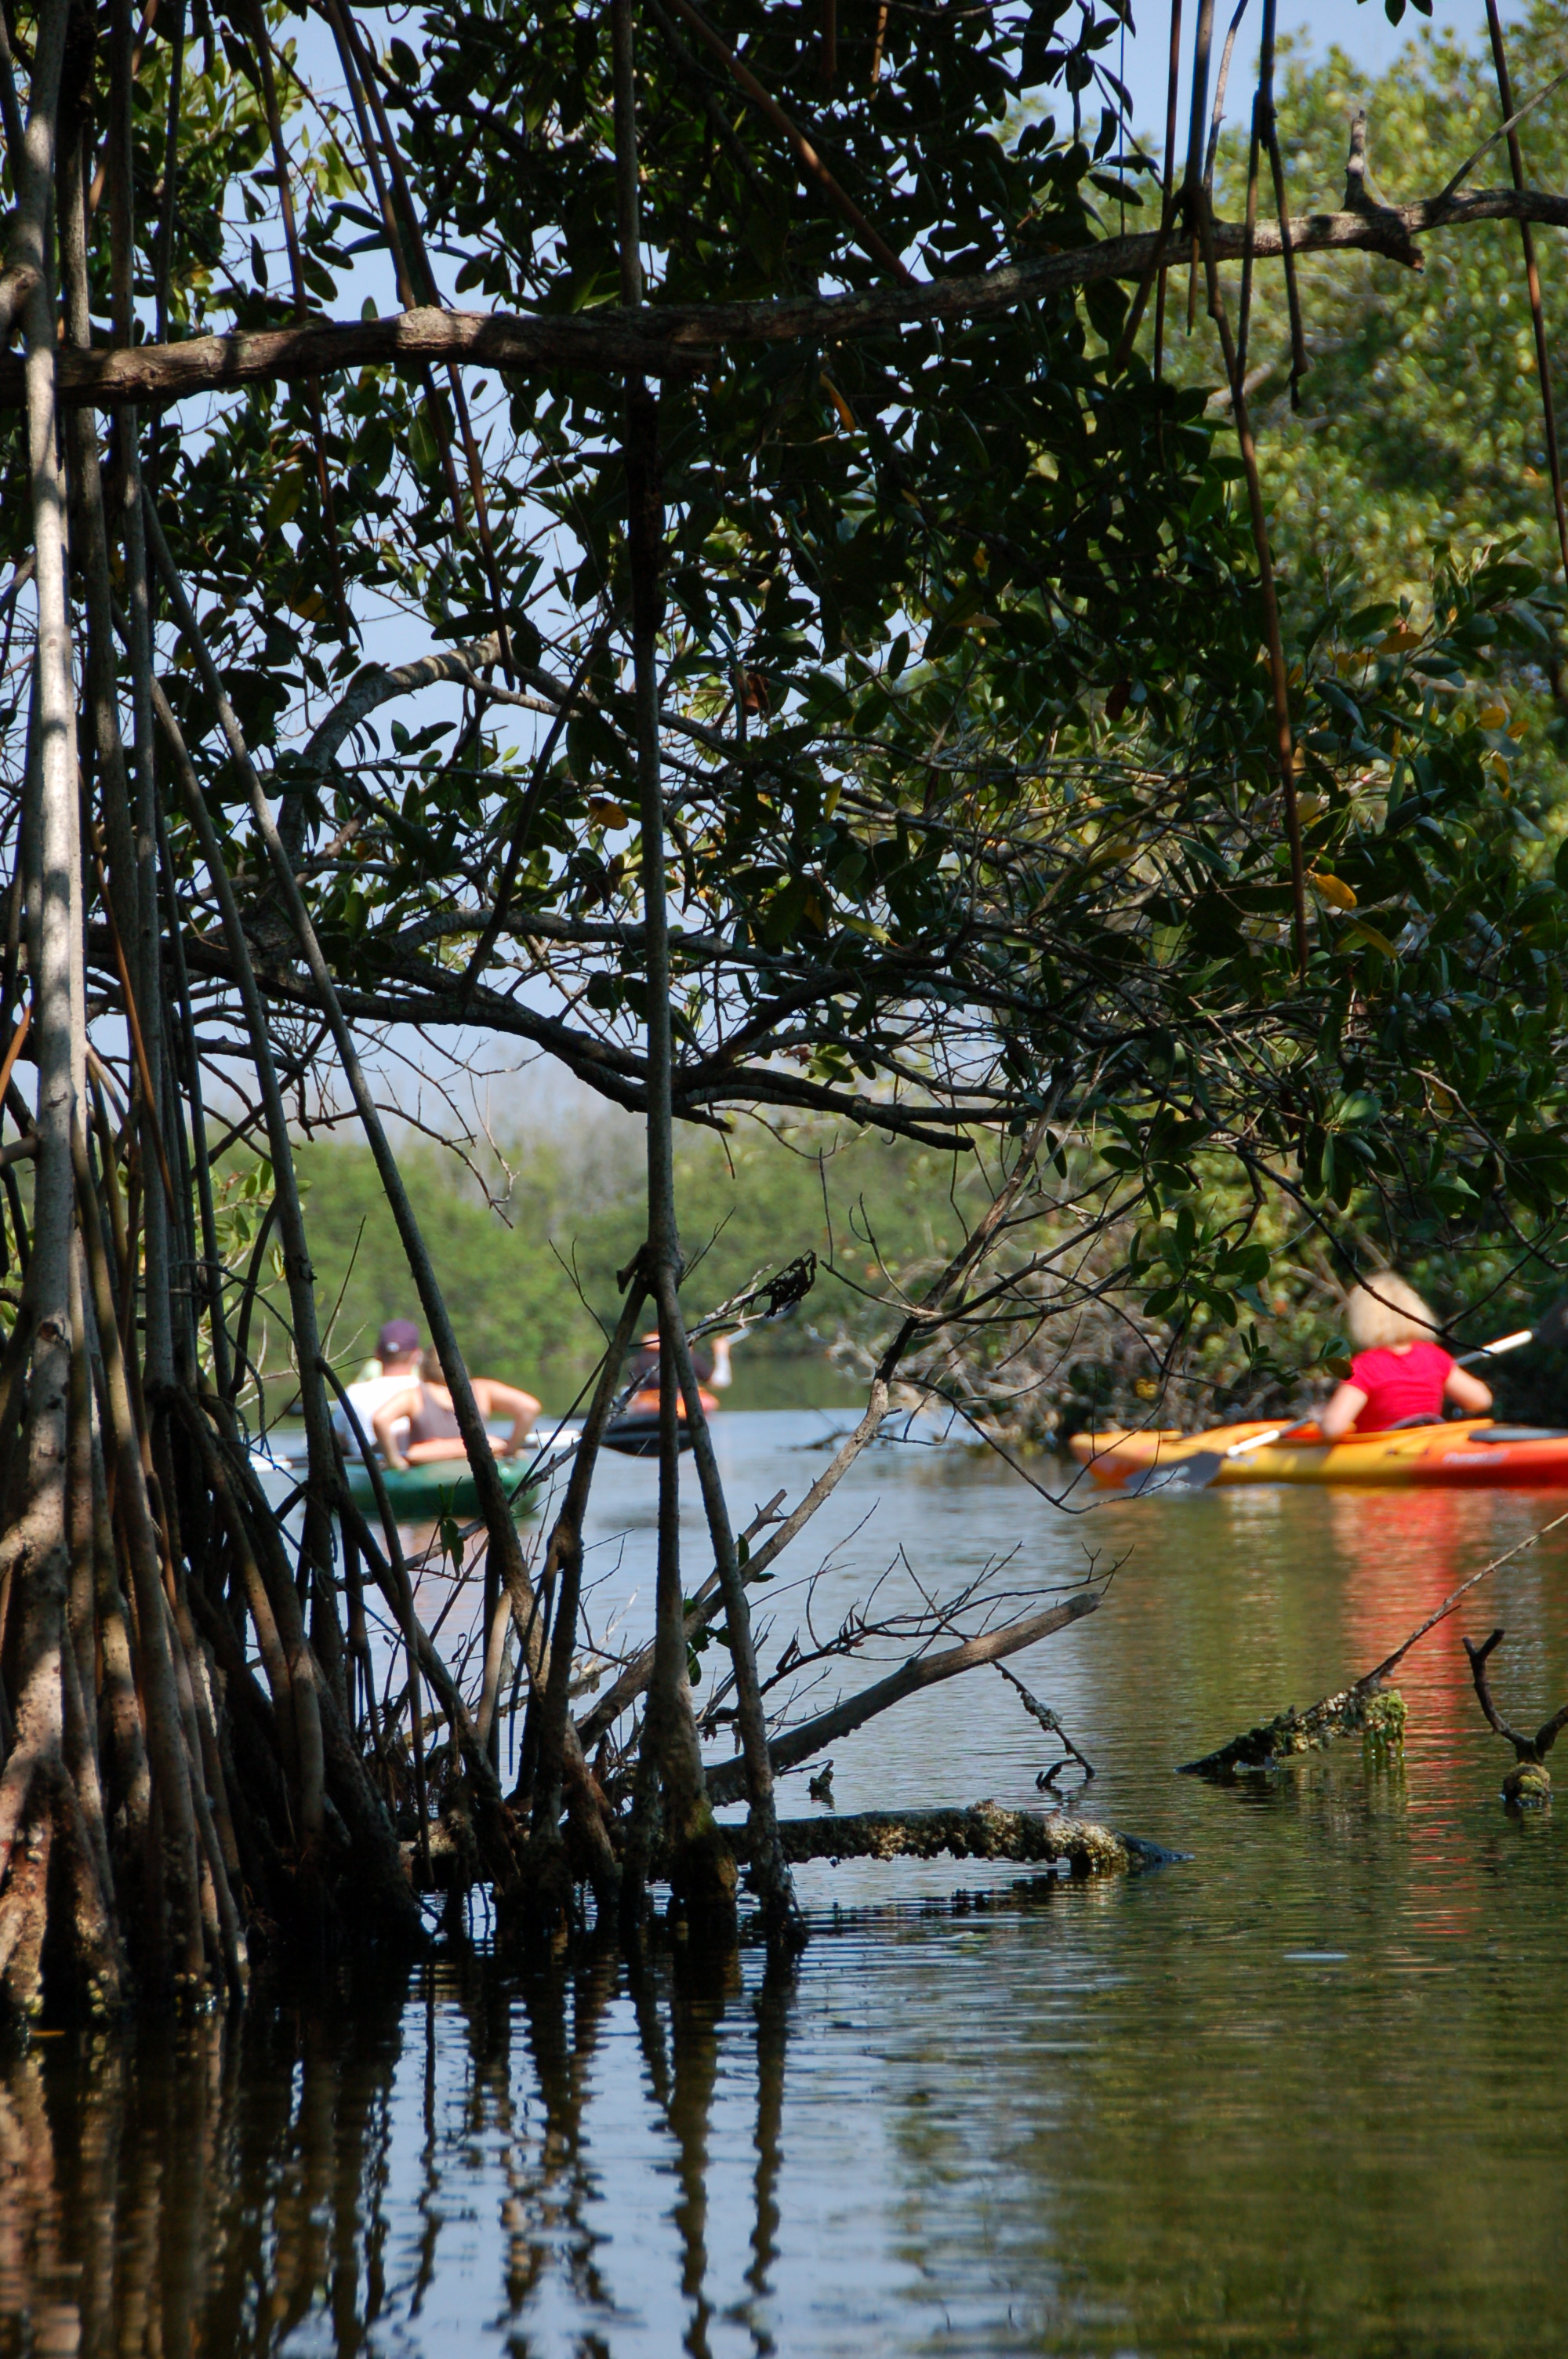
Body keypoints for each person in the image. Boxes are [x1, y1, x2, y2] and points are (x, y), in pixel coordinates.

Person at [1317, 1274, 1493, 1440]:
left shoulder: (1366, 1366)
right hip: (1426, 1448)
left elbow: (1333, 1428)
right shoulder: (1433, 1356)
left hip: (1383, 1458)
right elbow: (1481, 1400)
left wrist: (1321, 1418)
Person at [372, 1347, 540, 1470]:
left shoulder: (414, 1396)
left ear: (424, 1368)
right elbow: (529, 1408)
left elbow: (380, 1419)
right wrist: (511, 1449)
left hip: (430, 1464)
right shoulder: (482, 1389)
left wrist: (394, 1460)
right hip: (473, 1461)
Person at [334, 1318, 423, 1461]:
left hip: (369, 1474)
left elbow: (336, 1440)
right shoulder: (427, 1391)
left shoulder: (353, 1393)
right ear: (416, 1356)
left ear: (377, 1354)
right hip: (416, 1467)